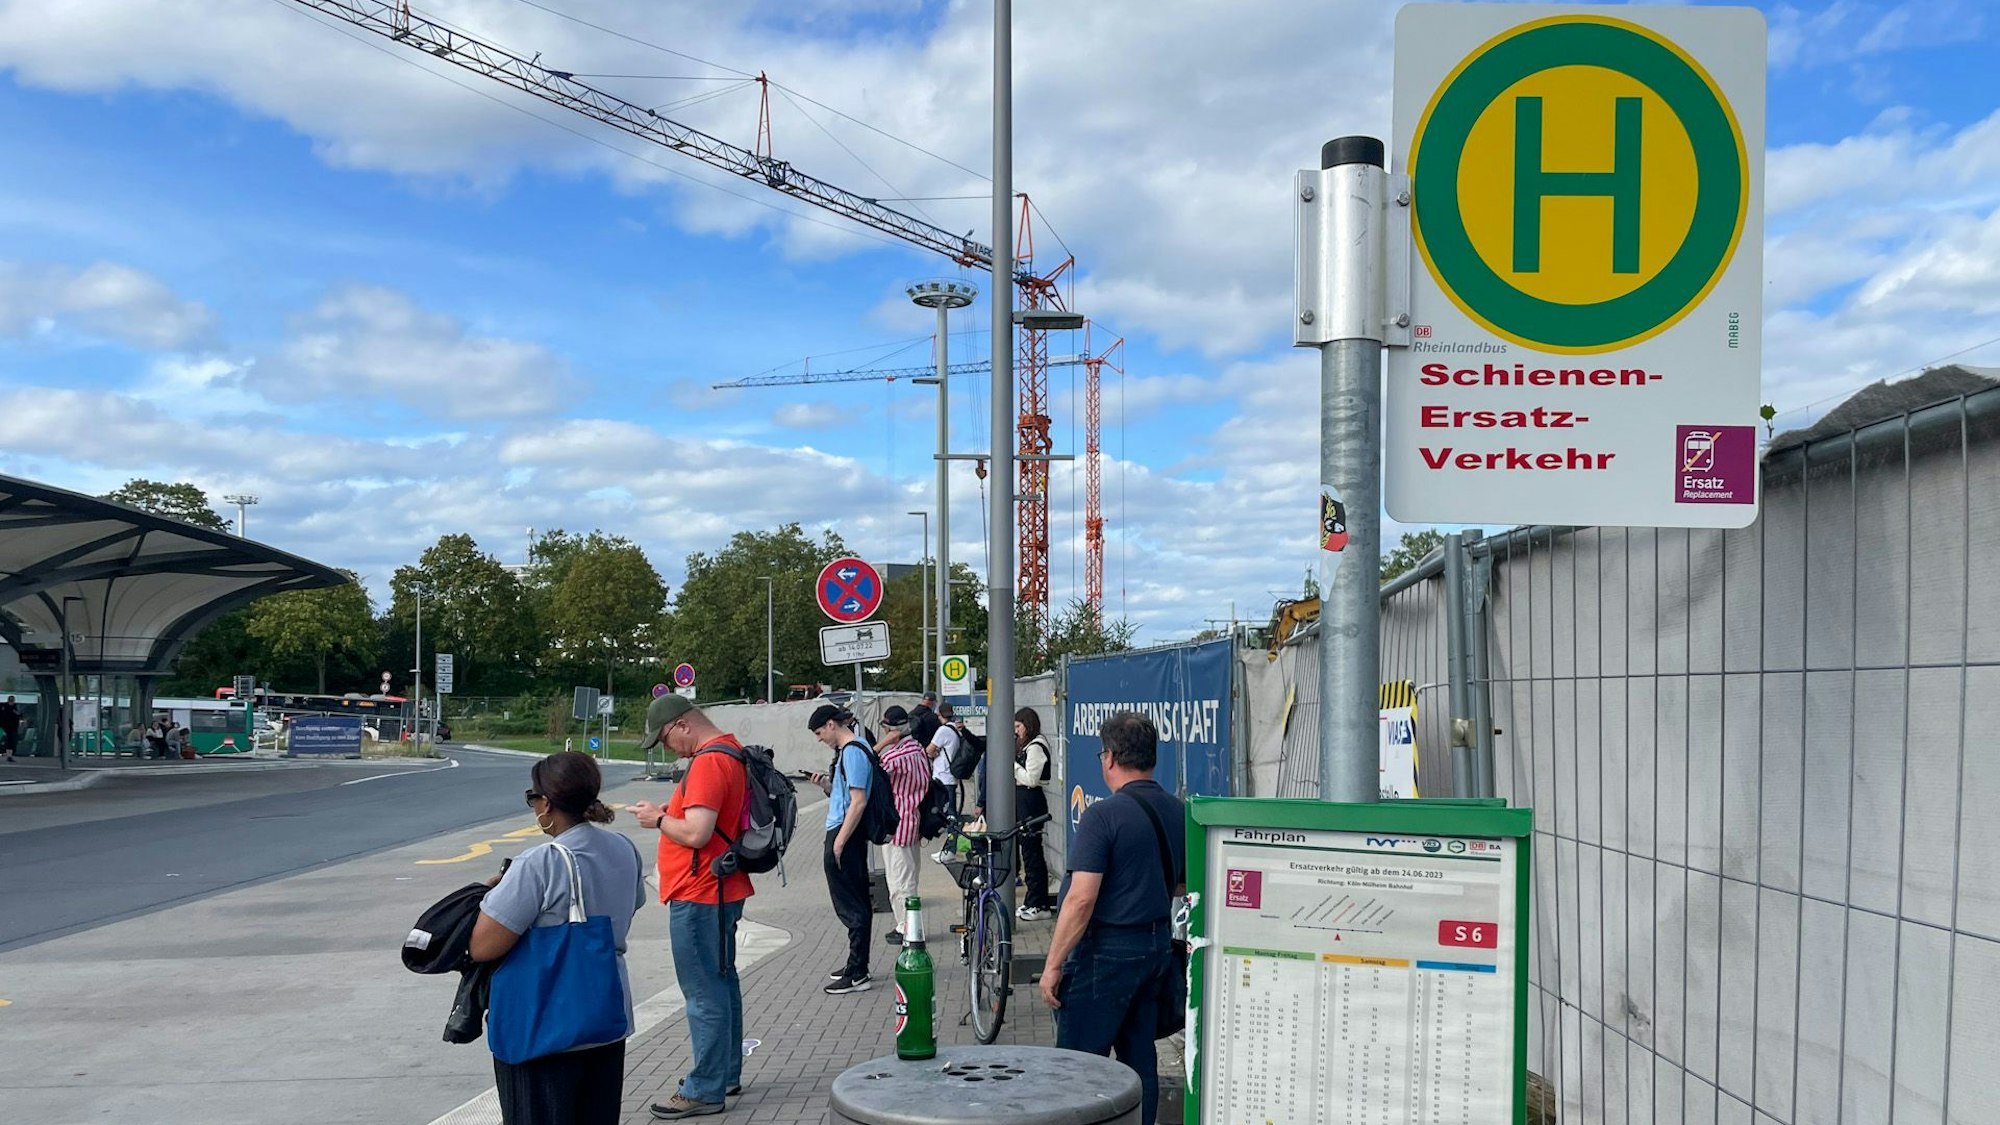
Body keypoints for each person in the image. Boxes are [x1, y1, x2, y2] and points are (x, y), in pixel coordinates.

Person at [471, 751, 646, 1125]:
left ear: (546, 802)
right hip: (605, 1018)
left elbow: (483, 945)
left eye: (532, 797)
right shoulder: (624, 848)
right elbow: (632, 905)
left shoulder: (540, 862)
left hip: (543, 1026)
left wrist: (494, 894)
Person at [1039, 712, 1184, 1125]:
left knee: (1079, 1068)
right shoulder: (1177, 811)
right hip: (1155, 950)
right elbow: (1182, 884)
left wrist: (1052, 966)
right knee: (1140, 1062)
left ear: (1110, 757)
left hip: (1105, 955)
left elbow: (1081, 900)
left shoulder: (1102, 816)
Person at [628, 695, 753, 1120]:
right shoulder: (729, 751)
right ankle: (725, 1074)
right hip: (720, 888)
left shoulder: (708, 761)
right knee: (722, 981)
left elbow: (698, 833)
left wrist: (659, 820)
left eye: (665, 739)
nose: (668, 749)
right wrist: (673, 811)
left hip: (700, 892)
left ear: (683, 725)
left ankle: (703, 1089)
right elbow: (710, 820)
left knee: (703, 992)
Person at [807, 704, 875, 994]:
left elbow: (858, 801)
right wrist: (826, 784)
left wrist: (839, 842)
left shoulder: (853, 751)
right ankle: (856, 964)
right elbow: (846, 794)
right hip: (846, 830)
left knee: (851, 905)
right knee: (855, 901)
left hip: (845, 831)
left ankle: (857, 972)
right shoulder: (854, 750)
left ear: (831, 725)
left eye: (819, 732)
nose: (819, 738)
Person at [874, 706, 930, 945]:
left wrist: (882, 744)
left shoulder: (895, 757)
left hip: (896, 826)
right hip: (913, 822)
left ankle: (906, 928)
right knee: (910, 877)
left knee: (899, 882)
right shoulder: (918, 750)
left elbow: (869, 766)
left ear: (891, 730)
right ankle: (910, 926)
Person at [1012, 708, 1054, 921]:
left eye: (1019, 726)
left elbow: (1031, 779)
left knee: (1032, 854)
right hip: (1025, 801)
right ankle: (1033, 900)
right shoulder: (1028, 745)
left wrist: (1013, 767)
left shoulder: (1036, 747)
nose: (1017, 731)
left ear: (1028, 725)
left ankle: (1038, 903)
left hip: (1031, 801)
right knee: (1029, 853)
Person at [0, 695, 20, 762]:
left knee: (10, 742)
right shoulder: (4, 707)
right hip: (5, 727)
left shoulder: (13, 708)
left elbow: (17, 716)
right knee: (10, 741)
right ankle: (9, 756)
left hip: (10, 728)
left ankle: (9, 756)